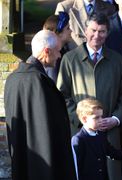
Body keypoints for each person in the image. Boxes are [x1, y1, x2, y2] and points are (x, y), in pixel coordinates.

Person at [57, 14, 122, 180]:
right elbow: (62, 95)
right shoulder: (69, 59)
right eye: (93, 30)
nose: (97, 35)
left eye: (102, 31)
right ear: (85, 30)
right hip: (80, 132)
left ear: (107, 33)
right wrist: (80, 119)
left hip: (109, 131)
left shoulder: (117, 60)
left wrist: (116, 119)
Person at [4, 30, 76, 180]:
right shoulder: (41, 83)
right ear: (46, 51)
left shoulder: (11, 80)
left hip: (22, 163)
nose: (59, 55)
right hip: (45, 168)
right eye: (57, 51)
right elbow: (52, 132)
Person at [72, 98, 122, 180]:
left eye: (101, 116)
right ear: (84, 119)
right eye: (96, 117)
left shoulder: (101, 135)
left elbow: (113, 153)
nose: (101, 120)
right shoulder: (78, 140)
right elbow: (76, 169)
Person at [43, 11, 72, 82]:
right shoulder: (51, 57)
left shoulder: (62, 51)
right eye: (68, 28)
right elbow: (54, 86)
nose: (71, 31)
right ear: (58, 33)